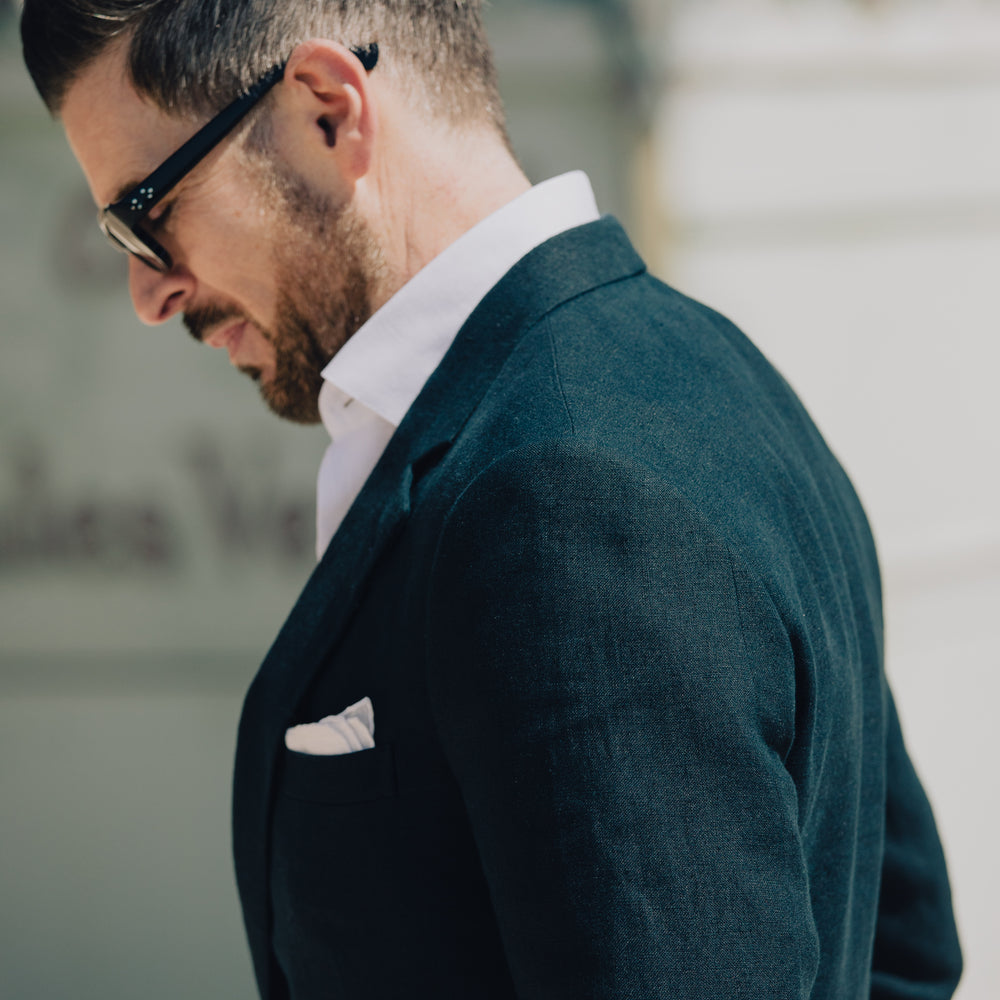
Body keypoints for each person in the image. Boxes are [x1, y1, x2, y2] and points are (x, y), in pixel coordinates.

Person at [21, 2, 962, 998]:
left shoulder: (561, 502)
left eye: (146, 212)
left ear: (327, 113)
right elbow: (903, 957)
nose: (146, 291)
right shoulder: (714, 373)